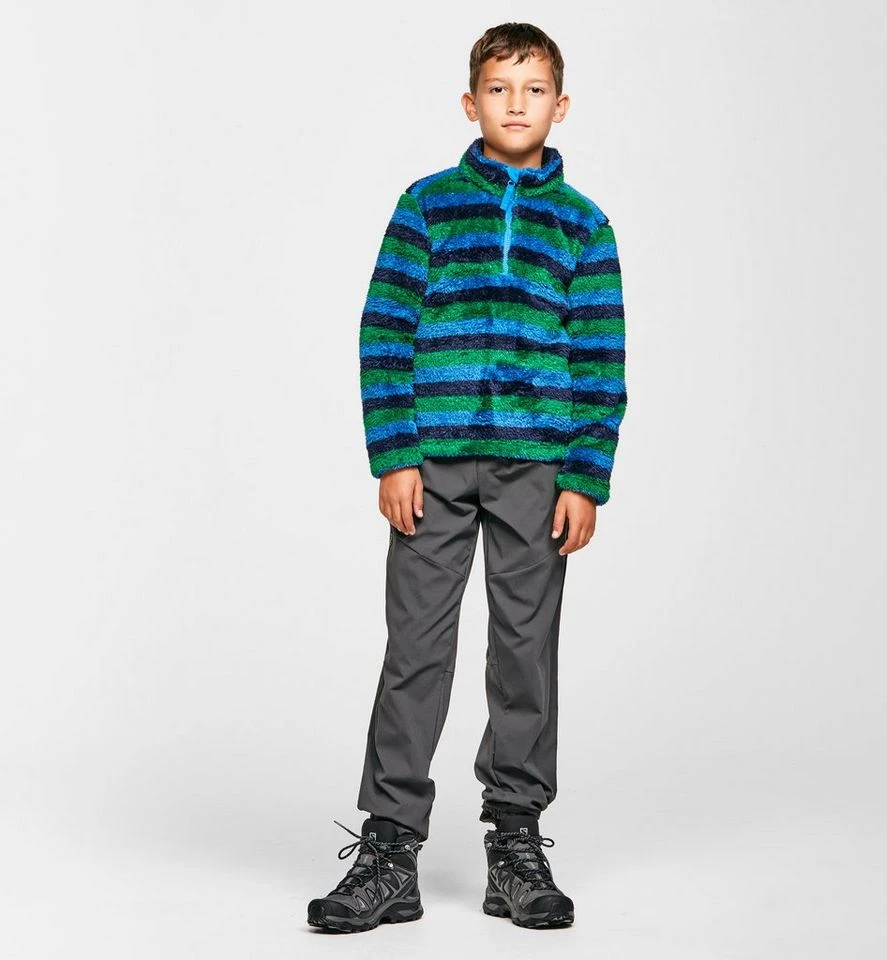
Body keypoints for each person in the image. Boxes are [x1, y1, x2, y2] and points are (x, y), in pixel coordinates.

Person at [307, 21, 627, 933]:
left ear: (561, 105)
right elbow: (384, 329)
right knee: (416, 647)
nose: (516, 104)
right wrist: (395, 454)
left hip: (539, 470)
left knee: (525, 650)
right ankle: (390, 849)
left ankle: (516, 842)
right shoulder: (428, 206)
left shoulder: (584, 226)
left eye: (534, 90)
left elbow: (601, 359)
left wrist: (585, 475)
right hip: (434, 466)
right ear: (470, 102)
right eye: (498, 88)